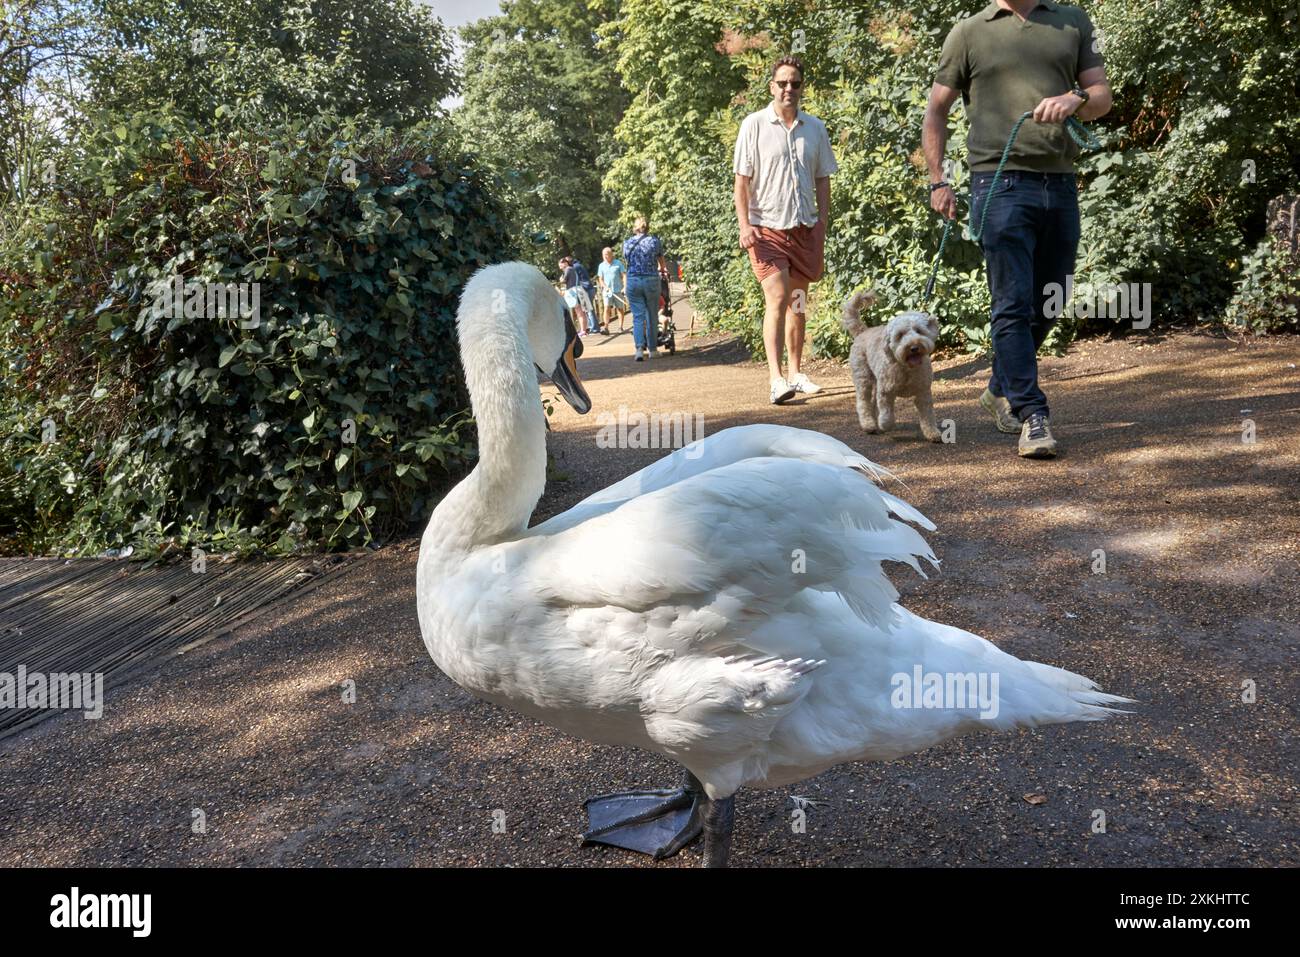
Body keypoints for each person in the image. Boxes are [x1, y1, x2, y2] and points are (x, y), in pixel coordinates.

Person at [923, 0, 1112, 458]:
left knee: (1053, 295)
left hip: (1061, 182)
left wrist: (1077, 98)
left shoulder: (1072, 21)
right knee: (1012, 301)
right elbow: (936, 111)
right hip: (998, 183)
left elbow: (1102, 97)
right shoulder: (968, 32)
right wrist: (938, 180)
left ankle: (999, 386)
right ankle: (1032, 414)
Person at [733, 54, 837, 405]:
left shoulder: (815, 128)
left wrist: (822, 221)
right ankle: (776, 379)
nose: (788, 88)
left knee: (798, 302)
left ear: (801, 87)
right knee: (777, 298)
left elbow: (823, 178)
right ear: (771, 87)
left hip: (803, 227)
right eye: (782, 83)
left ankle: (796, 371)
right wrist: (744, 224)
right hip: (765, 229)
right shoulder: (755, 125)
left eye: (795, 83)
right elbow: (741, 182)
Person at [622, 217, 667, 362]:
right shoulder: (654, 241)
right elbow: (661, 262)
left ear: (635, 228)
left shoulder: (627, 243)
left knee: (637, 317)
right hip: (651, 280)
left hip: (633, 281)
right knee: (652, 316)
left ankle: (639, 350)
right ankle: (653, 350)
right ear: (647, 227)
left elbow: (627, 261)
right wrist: (663, 271)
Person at [596, 247, 628, 333]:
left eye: (607, 254)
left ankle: (620, 327)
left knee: (620, 308)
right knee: (606, 308)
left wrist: (624, 287)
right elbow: (600, 279)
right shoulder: (601, 266)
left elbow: (624, 275)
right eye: (604, 255)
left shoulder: (618, 263)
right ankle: (606, 327)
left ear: (611, 254)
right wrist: (605, 287)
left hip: (618, 290)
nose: (605, 256)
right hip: (607, 291)